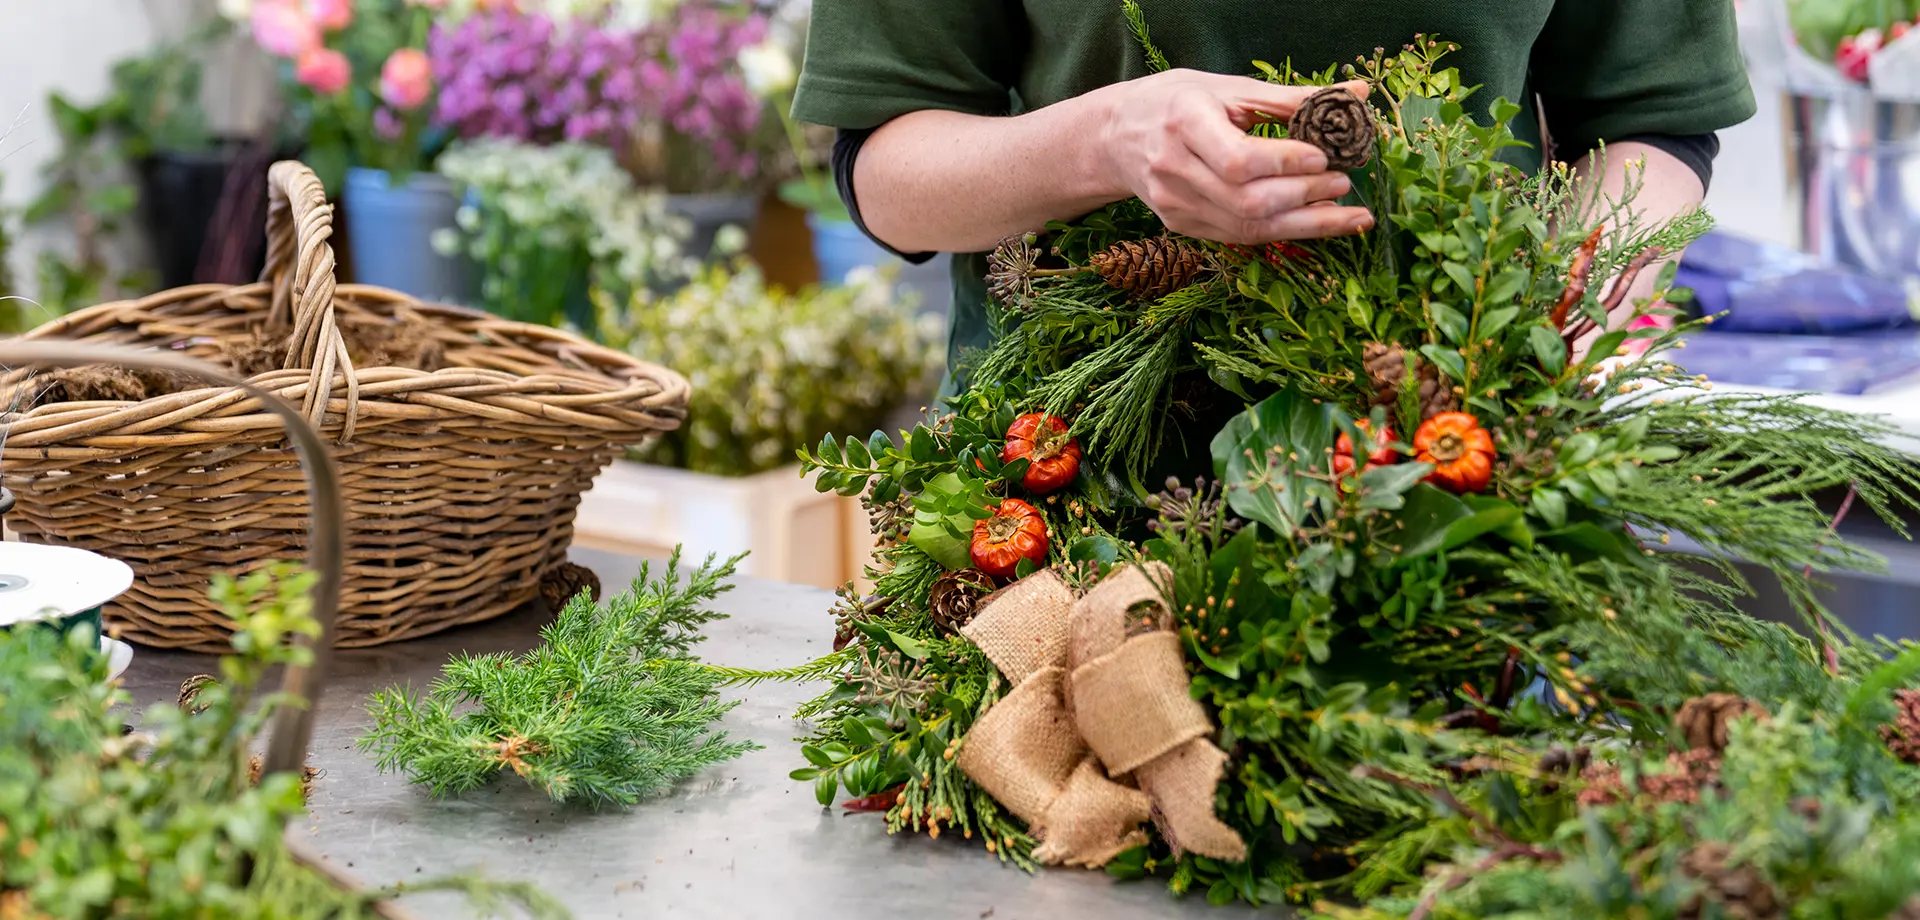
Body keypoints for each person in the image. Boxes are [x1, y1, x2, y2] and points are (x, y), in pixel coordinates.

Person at [790, 1, 1755, 398]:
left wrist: (1569, 299)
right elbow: (887, 171)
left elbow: (1651, 123)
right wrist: (1108, 142)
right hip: (1067, 497)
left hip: (1454, 484)